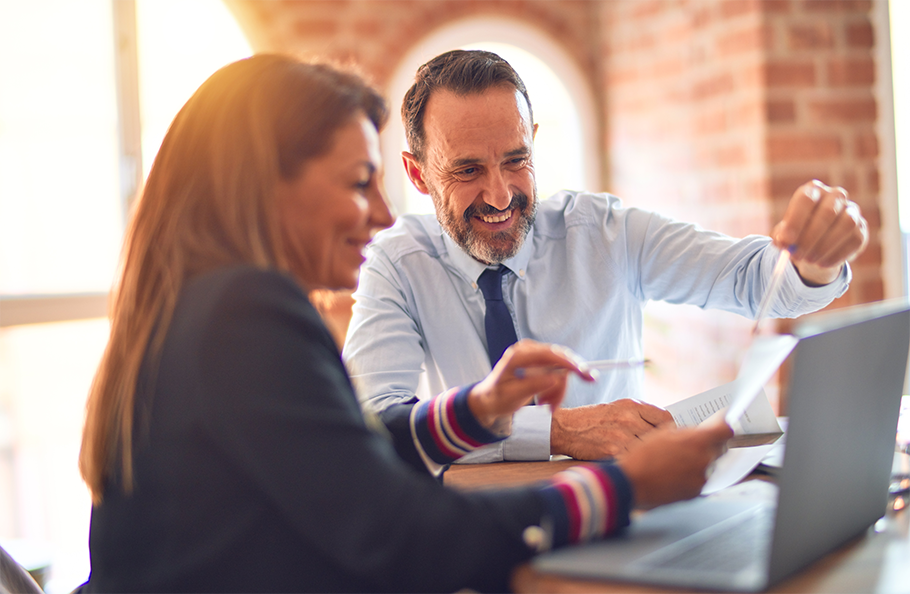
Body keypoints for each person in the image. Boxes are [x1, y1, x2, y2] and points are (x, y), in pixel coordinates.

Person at [77, 54, 732, 594]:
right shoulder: (242, 314)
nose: (385, 214)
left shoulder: (200, 304)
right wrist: (624, 487)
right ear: (265, 186)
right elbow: (399, 535)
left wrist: (479, 410)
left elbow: (342, 459)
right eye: (360, 181)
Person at [343, 49, 868, 463]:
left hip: (622, 507)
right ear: (417, 174)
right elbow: (373, 425)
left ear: (534, 143)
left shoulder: (605, 232)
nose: (501, 195)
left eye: (516, 159)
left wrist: (815, 260)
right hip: (476, 523)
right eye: (467, 170)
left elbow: (757, 282)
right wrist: (556, 431)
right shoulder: (396, 263)